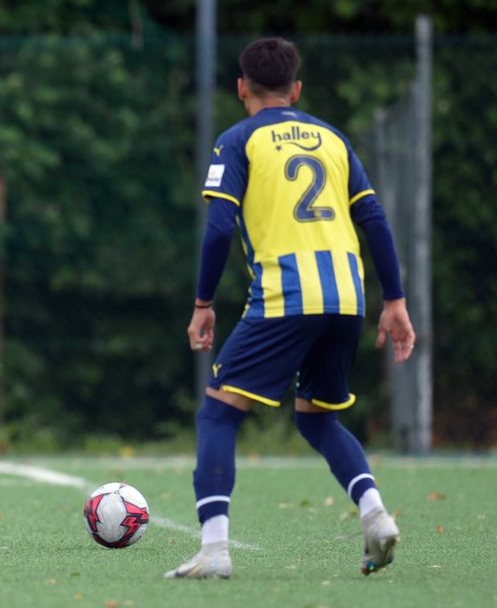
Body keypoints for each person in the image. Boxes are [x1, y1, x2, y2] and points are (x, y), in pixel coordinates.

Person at [164, 38, 416, 579]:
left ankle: (214, 548)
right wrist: (394, 300)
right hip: (347, 297)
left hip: (287, 296)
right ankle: (375, 514)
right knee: (318, 418)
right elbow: (374, 220)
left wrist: (203, 302)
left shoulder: (238, 140)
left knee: (218, 412)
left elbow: (219, 228)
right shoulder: (333, 138)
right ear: (296, 89)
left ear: (241, 88)